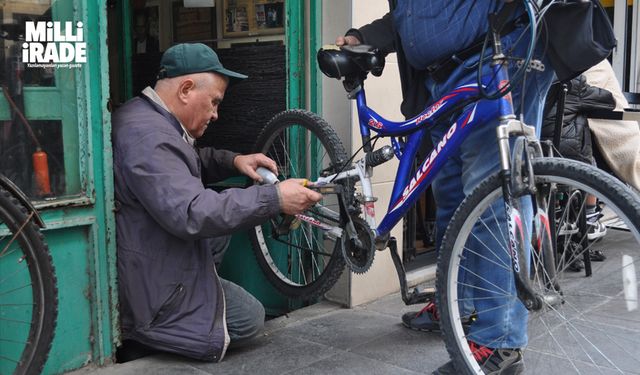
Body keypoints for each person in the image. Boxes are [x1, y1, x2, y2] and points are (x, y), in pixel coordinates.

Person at [336, 1, 555, 373]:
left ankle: (495, 344)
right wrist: (364, 37)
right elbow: (411, 16)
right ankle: (458, 306)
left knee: (490, 201)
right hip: (442, 80)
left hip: (494, 57)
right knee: (453, 200)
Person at [112, 43, 322, 362]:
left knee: (220, 226)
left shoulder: (143, 116)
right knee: (249, 318)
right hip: (152, 292)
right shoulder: (150, 139)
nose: (215, 114)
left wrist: (234, 160)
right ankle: (146, 338)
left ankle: (200, 288)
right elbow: (192, 213)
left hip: (150, 251)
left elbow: (181, 164)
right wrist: (275, 197)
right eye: (213, 102)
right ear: (185, 89)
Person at [541, 74, 616, 243]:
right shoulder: (574, 82)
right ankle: (589, 218)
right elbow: (609, 101)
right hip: (568, 160)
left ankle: (556, 214)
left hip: (534, 154)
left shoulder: (531, 79)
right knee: (591, 163)